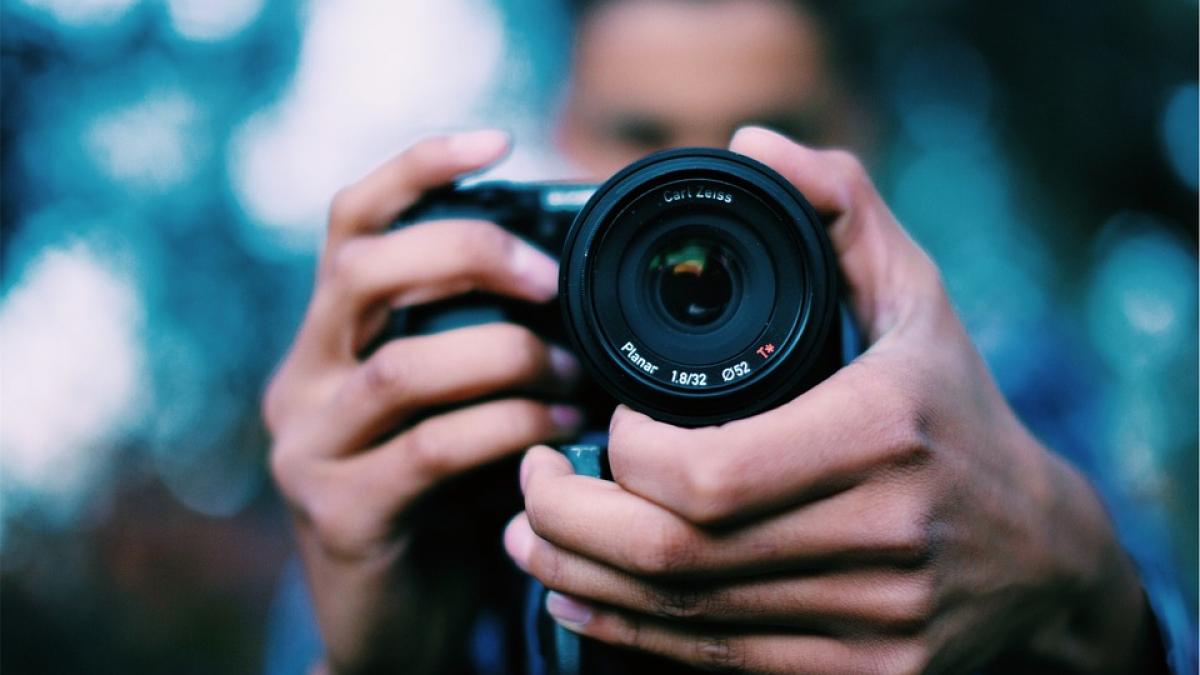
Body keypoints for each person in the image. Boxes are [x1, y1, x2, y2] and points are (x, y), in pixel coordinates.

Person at [262, 1, 1185, 672]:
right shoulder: (449, 418)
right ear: (557, 136)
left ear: (866, 135)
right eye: (641, 136)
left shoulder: (998, 394)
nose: (702, 192)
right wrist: (379, 658)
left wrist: (1081, 585)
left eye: (771, 135)